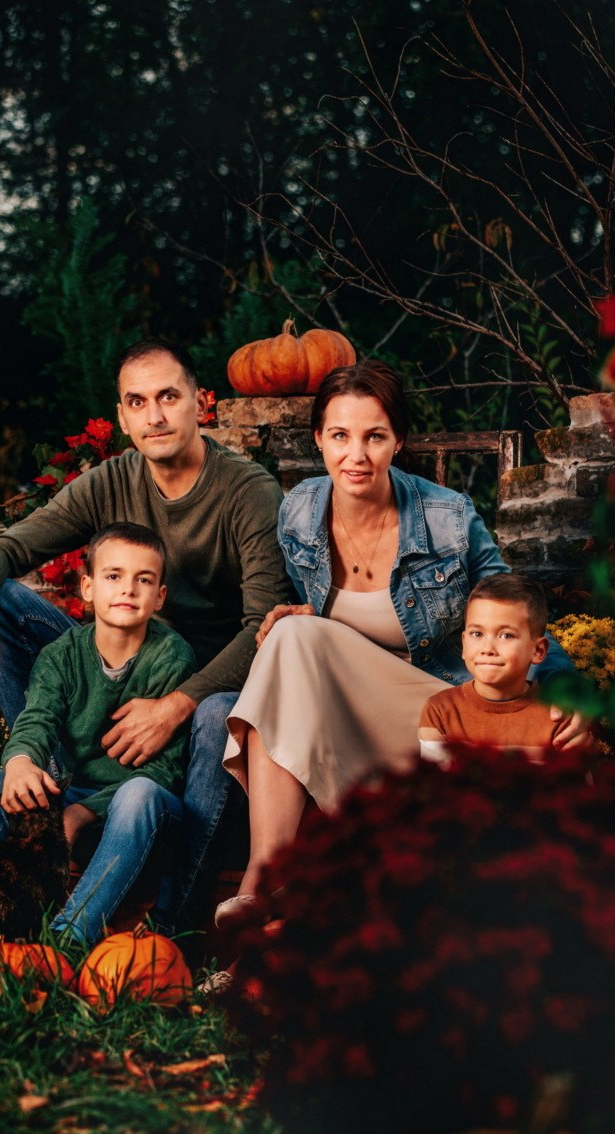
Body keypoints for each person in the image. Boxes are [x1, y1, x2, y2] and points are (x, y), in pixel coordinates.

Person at [216, 359, 587, 926]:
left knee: (291, 641)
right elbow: (328, 629)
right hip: (350, 717)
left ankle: (275, 881)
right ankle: (263, 878)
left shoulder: (448, 518)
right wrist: (305, 615)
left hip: (440, 713)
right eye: (339, 436)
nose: (355, 456)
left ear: (398, 441)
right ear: (318, 440)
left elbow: (515, 611)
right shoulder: (298, 514)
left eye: (374, 437)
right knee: (287, 635)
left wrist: (567, 688)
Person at [0, 337, 291, 929]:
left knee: (214, 716)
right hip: (129, 660)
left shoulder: (246, 490)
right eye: (137, 402)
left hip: (211, 682)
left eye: (168, 397)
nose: (154, 416)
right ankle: (54, 788)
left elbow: (265, 627)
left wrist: (175, 705)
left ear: (199, 404)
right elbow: (8, 546)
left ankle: (177, 913)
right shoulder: (110, 481)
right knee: (2, 599)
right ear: (123, 414)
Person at [0, 524, 195, 944]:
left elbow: (168, 770)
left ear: (159, 596)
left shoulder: (171, 656)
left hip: (141, 811)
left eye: (144, 580)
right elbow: (37, 718)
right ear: (87, 587)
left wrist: (81, 813)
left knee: (139, 792)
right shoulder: (63, 654)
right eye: (113, 576)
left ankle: (69, 938)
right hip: (73, 792)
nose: (128, 590)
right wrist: (21, 761)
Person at [418, 574, 558, 763]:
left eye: (506, 635)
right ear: (464, 643)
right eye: (477, 633)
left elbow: (574, 789)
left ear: (538, 650)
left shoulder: (556, 715)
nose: (488, 649)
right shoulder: (441, 711)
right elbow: (436, 787)